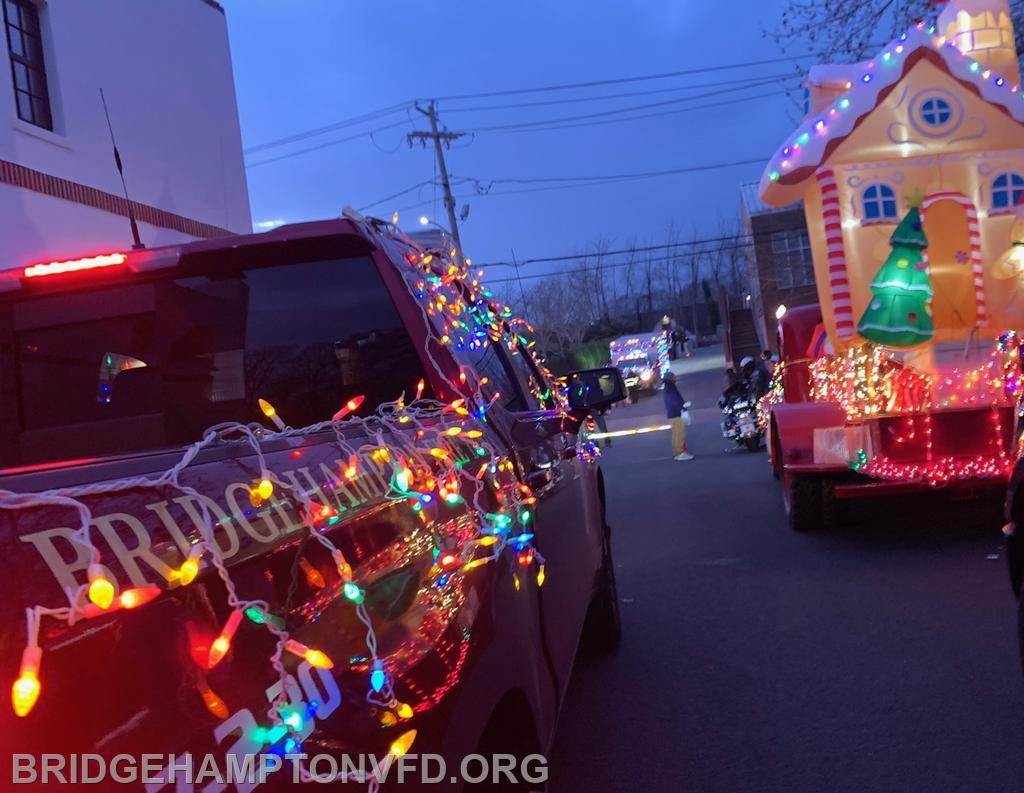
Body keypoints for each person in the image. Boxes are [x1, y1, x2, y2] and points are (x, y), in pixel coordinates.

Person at [662, 371, 693, 461]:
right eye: (674, 377)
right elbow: (673, 400)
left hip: (672, 414)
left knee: (676, 434)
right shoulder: (670, 388)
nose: (675, 378)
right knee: (680, 433)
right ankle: (679, 453)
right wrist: (682, 406)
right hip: (676, 414)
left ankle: (677, 452)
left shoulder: (668, 387)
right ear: (670, 378)